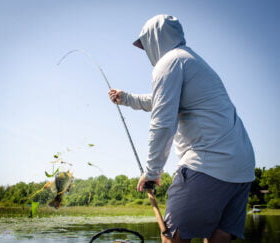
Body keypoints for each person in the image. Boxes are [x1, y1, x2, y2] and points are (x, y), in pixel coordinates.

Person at [108, 14, 255, 243]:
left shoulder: (169, 62)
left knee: (173, 237)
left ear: (154, 39)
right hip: (243, 168)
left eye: (145, 43)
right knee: (220, 237)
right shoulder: (190, 60)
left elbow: (162, 122)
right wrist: (126, 98)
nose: (146, 50)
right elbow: (161, 100)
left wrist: (152, 171)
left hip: (209, 163)